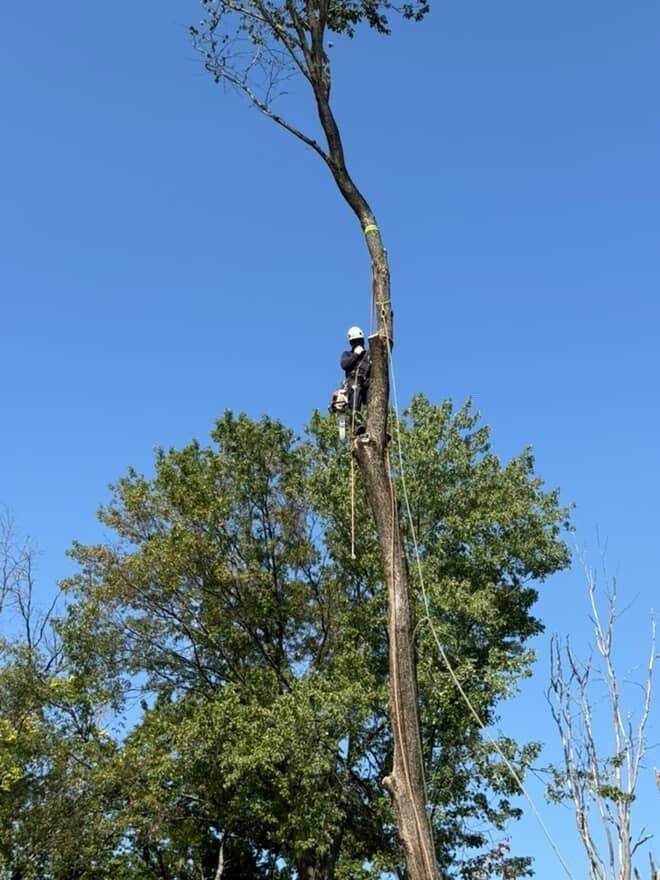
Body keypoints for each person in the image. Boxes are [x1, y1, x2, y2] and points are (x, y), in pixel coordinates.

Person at [341, 325, 370, 417]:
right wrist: (355, 355)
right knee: (355, 390)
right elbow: (344, 365)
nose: (358, 343)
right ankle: (356, 422)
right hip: (353, 383)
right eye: (355, 342)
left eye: (359, 341)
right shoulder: (347, 354)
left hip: (366, 384)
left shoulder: (368, 355)